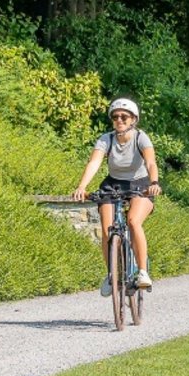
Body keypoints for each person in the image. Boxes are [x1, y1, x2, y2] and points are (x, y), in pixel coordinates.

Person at [71, 97, 161, 294]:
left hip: (140, 183)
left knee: (133, 221)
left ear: (133, 120)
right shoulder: (106, 139)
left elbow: (151, 162)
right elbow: (94, 163)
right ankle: (112, 275)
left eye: (124, 117)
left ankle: (143, 272)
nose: (119, 120)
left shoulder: (141, 137)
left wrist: (154, 182)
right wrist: (82, 186)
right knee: (106, 229)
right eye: (115, 117)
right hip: (112, 184)